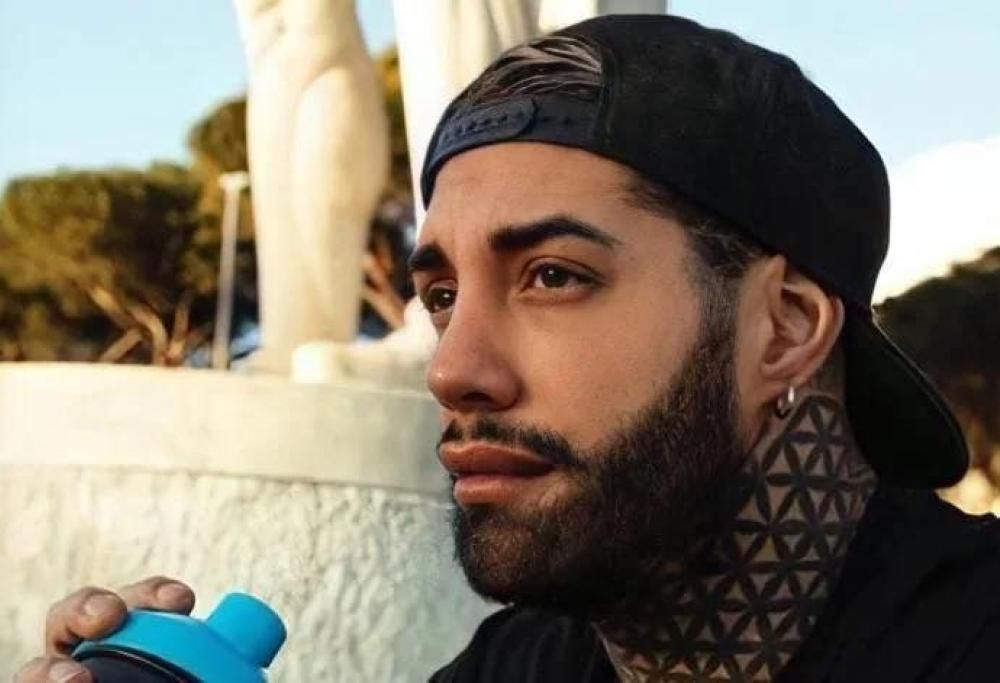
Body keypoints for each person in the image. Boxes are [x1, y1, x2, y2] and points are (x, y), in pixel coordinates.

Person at [15, 15, 1000, 683]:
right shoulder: (514, 664)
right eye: (441, 295)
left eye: (553, 276)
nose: (451, 369)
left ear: (783, 324)